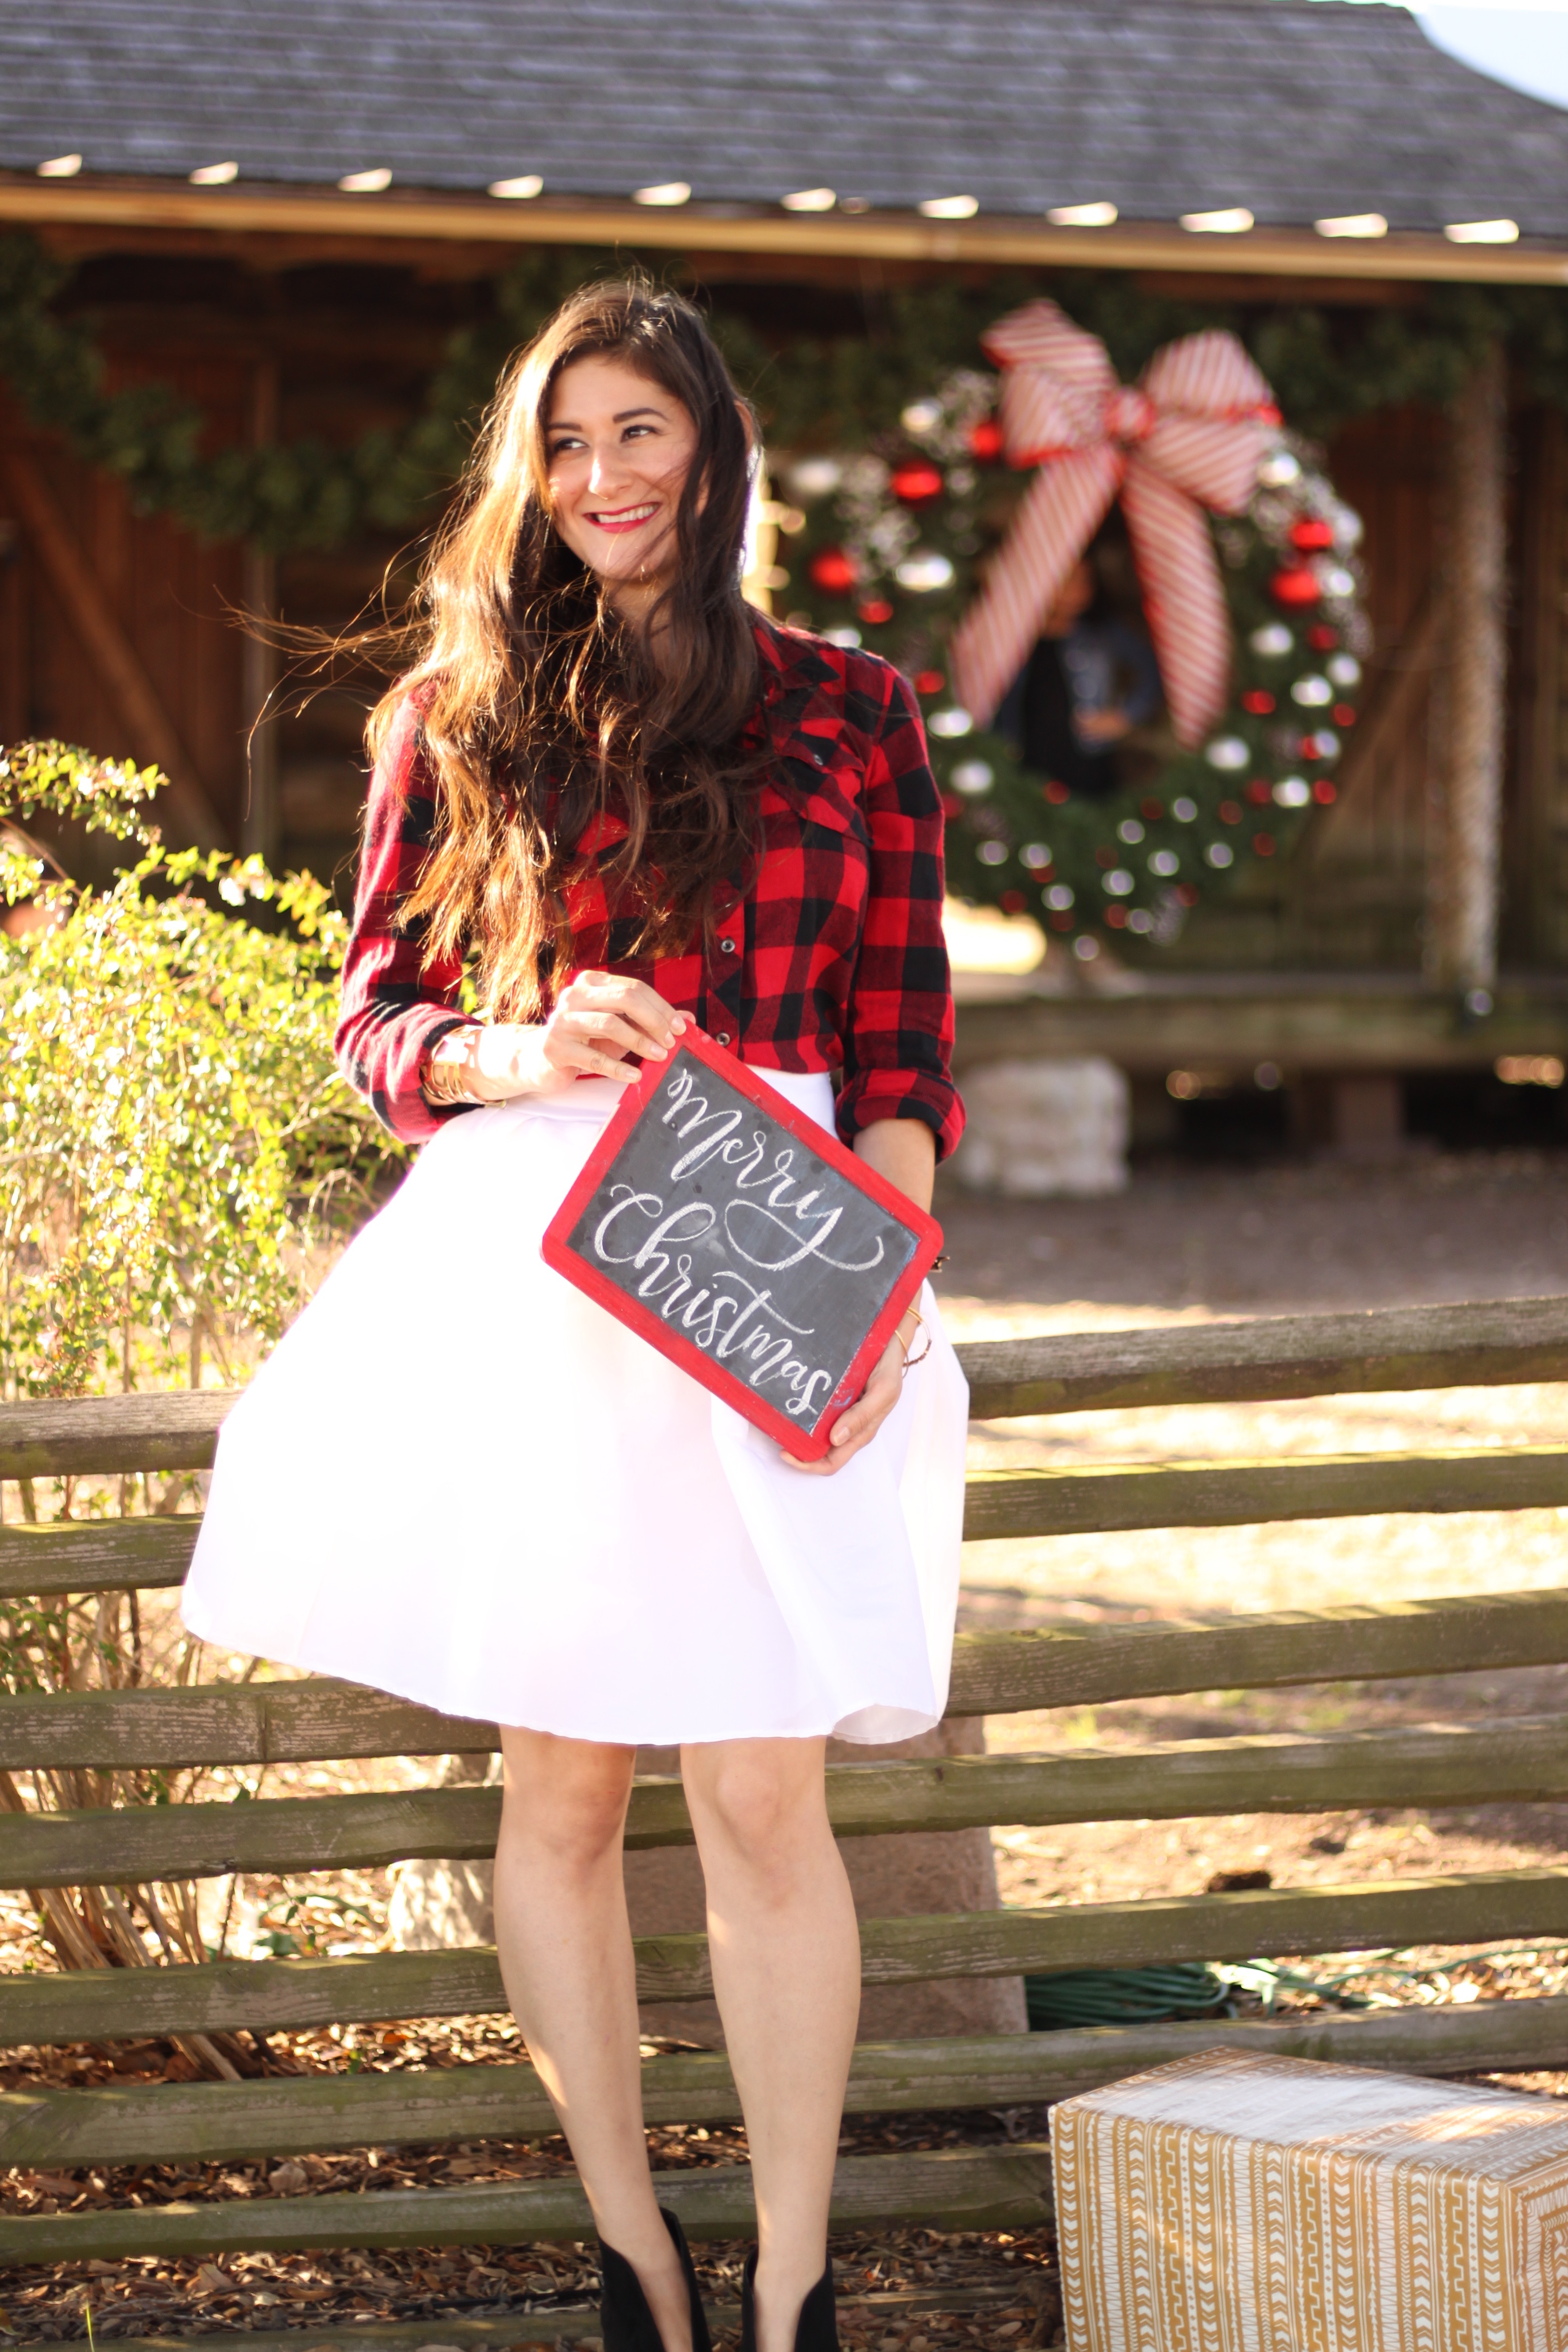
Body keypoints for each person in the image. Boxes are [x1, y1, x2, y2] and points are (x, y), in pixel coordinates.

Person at [181, 283, 969, 2352]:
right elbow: (370, 1026)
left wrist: (879, 1290)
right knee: (563, 1788)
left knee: (763, 1790)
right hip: (546, 1250)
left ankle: (800, 2282)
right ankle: (636, 2260)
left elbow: (901, 1056)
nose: (602, 477)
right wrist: (522, 1050)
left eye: (640, 434)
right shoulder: (459, 718)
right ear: (528, 476)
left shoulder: (858, 711)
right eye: (565, 441)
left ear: (709, 455)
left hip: (771, 1243)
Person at [997, 555, 1163, 798]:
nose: (1079, 589)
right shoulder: (1013, 636)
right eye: (1069, 579)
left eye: (1086, 580)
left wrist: (1126, 716)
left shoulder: (1102, 633)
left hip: (1086, 762)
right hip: (1023, 764)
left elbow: (1154, 672)